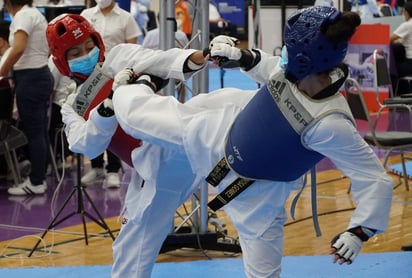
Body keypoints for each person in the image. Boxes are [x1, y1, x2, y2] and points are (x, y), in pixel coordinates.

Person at [110, 6, 393, 277]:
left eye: (289, 51)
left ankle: (133, 85)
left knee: (264, 273)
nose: (284, 56)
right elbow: (270, 67)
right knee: (144, 118)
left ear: (304, 60)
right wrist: (242, 57)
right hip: (221, 134)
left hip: (260, 194)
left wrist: (360, 230)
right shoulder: (296, 71)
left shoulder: (330, 122)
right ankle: (135, 86)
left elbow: (374, 178)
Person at [80, 0, 142, 188]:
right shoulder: (86, 15)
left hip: (116, 77)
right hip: (91, 75)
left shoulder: (126, 18)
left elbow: (132, 48)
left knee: (113, 120)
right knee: (93, 119)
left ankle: (113, 169)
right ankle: (96, 166)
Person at [1, 0, 54, 196]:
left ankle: (36, 181)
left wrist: (2, 71)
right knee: (39, 131)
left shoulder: (23, 16)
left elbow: (19, 47)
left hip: (30, 78)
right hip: (39, 74)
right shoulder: (35, 14)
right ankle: (40, 174)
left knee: (34, 132)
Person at [390, 1, 412, 94]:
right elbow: (402, 40)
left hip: (410, 63)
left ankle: (396, 95)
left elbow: (389, 39)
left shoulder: (407, 25)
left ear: (406, 12)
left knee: (391, 69)